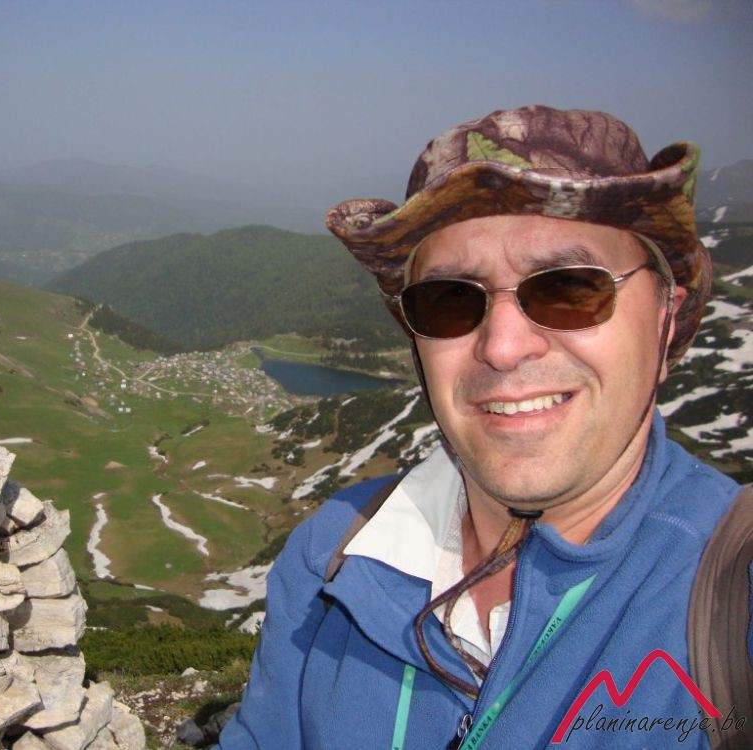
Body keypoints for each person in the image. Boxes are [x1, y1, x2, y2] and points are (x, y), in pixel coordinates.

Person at [217, 105, 747, 749]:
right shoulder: (330, 554)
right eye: (450, 300)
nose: (502, 347)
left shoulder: (733, 590)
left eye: (569, 288)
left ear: (666, 318)